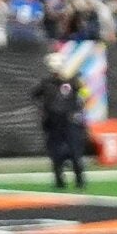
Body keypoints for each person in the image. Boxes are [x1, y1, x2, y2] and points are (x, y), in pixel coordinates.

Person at [32, 53, 88, 190]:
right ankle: (59, 181)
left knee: (75, 152)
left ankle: (80, 180)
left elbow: (85, 93)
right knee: (56, 153)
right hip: (54, 122)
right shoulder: (46, 83)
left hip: (70, 121)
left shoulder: (72, 81)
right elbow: (35, 96)